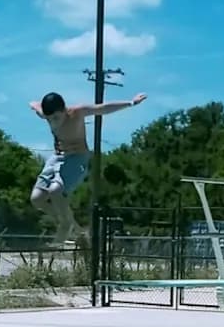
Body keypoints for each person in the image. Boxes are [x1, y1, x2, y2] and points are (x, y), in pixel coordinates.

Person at [29, 90, 147, 242]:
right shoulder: (46, 114)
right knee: (36, 199)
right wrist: (33, 105)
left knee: (55, 190)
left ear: (64, 111)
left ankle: (65, 224)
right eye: (50, 119)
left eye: (57, 118)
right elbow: (37, 106)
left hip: (78, 158)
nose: (54, 122)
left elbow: (103, 108)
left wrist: (131, 103)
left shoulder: (77, 113)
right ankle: (69, 223)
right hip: (58, 157)